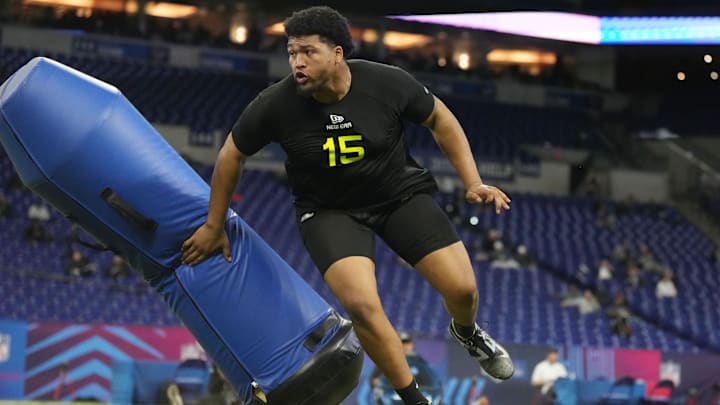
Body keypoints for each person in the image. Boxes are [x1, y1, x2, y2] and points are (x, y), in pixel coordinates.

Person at [180, 6, 513, 405]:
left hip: (398, 196)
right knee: (360, 303)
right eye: (291, 53)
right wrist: (214, 225)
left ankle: (467, 331)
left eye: (307, 52)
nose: (297, 62)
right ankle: (414, 399)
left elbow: (441, 120)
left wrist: (472, 182)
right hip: (328, 212)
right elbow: (231, 154)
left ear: (337, 54)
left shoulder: (386, 82)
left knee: (462, 289)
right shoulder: (276, 103)